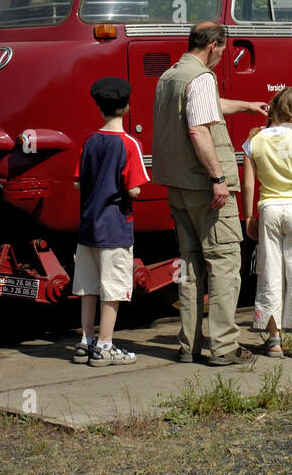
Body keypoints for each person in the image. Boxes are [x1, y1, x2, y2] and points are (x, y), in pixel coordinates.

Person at [152, 21, 268, 366]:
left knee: (188, 266)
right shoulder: (201, 77)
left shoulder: (170, 77)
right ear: (214, 46)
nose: (222, 57)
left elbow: (206, 106)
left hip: (178, 186)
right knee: (224, 263)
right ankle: (224, 346)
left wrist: (246, 105)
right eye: (223, 50)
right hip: (206, 187)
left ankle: (188, 345)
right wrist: (218, 177)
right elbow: (198, 129)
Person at [72, 77, 150, 366]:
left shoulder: (90, 142)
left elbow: (78, 184)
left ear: (99, 108)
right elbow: (134, 188)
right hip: (115, 227)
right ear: (127, 107)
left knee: (88, 287)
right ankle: (105, 345)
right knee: (113, 288)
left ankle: (85, 340)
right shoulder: (129, 144)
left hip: (88, 227)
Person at [241, 87, 292, 359]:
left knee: (269, 272)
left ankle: (273, 339)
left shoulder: (255, 140)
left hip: (269, 209)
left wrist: (249, 216)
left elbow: (249, 182)